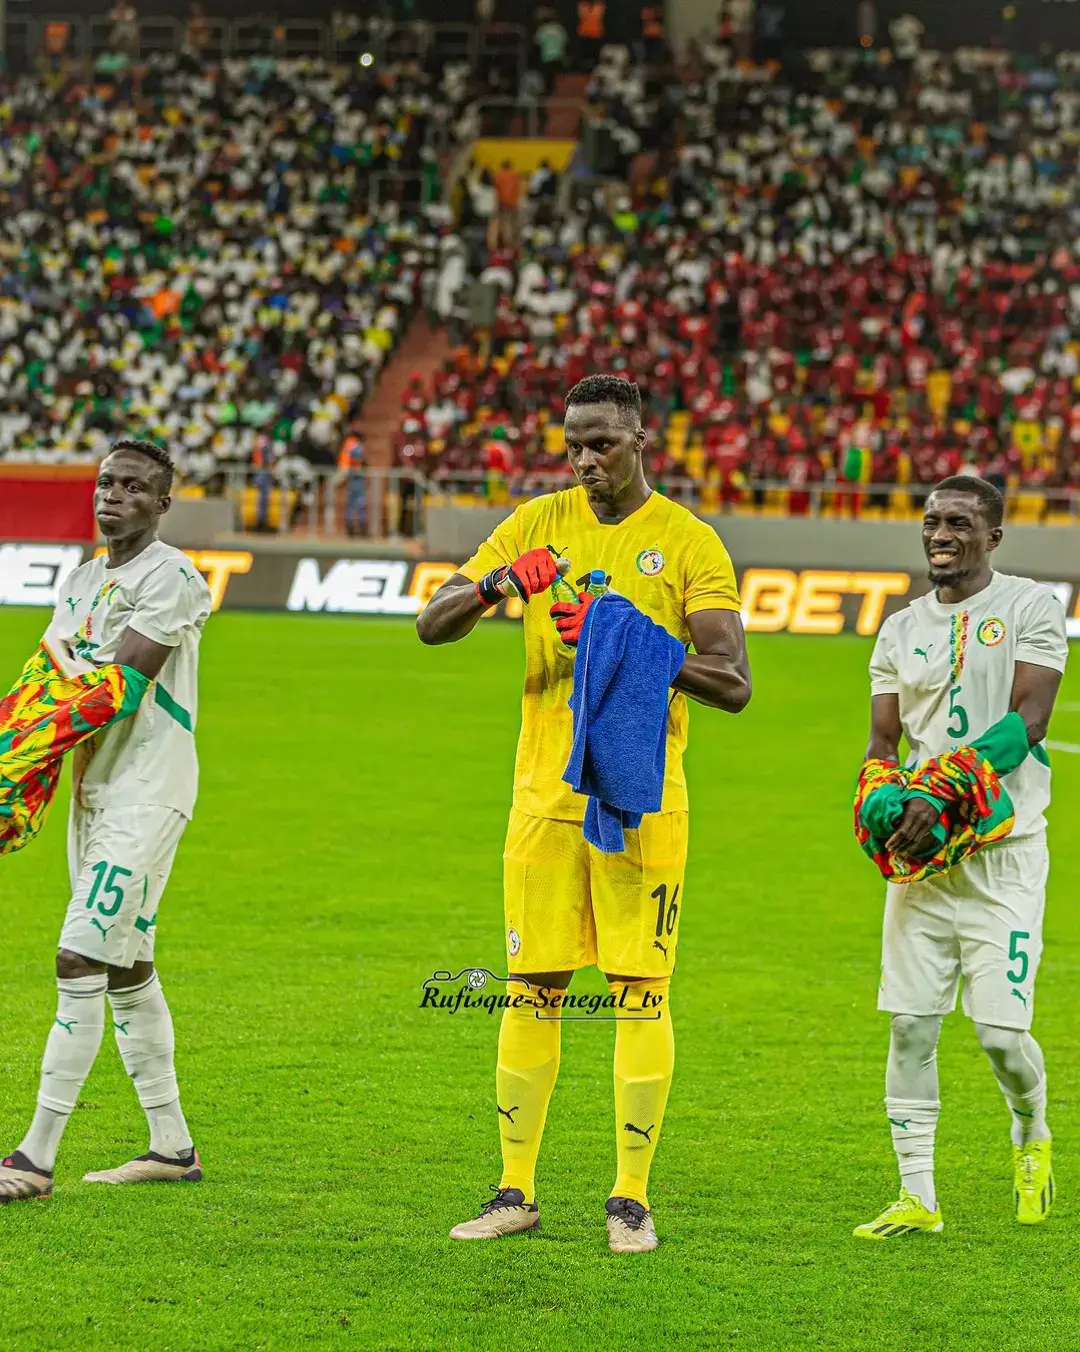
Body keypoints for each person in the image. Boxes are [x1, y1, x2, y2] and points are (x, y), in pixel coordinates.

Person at [417, 375, 751, 1253]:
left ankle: (630, 1197)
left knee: (641, 991)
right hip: (542, 802)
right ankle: (514, 1189)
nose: (585, 459)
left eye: (602, 442)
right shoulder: (535, 524)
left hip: (641, 802)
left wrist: (625, 637)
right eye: (573, 444)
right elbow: (432, 622)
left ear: (642, 440)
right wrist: (496, 583)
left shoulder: (687, 542)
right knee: (534, 985)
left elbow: (732, 681)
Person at [854, 475, 1068, 1239]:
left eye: (959, 523)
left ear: (993, 537)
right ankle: (918, 1197)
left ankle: (1031, 1132)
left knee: (1001, 1036)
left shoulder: (1032, 607)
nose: (940, 534)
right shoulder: (897, 627)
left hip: (1004, 856)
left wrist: (942, 790)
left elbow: (1029, 722)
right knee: (910, 1026)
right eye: (931, 521)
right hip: (925, 859)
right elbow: (884, 740)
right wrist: (881, 795)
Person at [0, 439, 212, 1203]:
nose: (112, 496)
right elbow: (45, 674)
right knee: (125, 964)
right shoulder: (83, 577)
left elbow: (113, 688)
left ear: (162, 503)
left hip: (148, 790)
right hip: (96, 788)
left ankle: (33, 1157)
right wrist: (21, 752)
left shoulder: (174, 577)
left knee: (78, 955)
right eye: (105, 483)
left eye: (133, 487)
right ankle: (172, 1147)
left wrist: (20, 750)